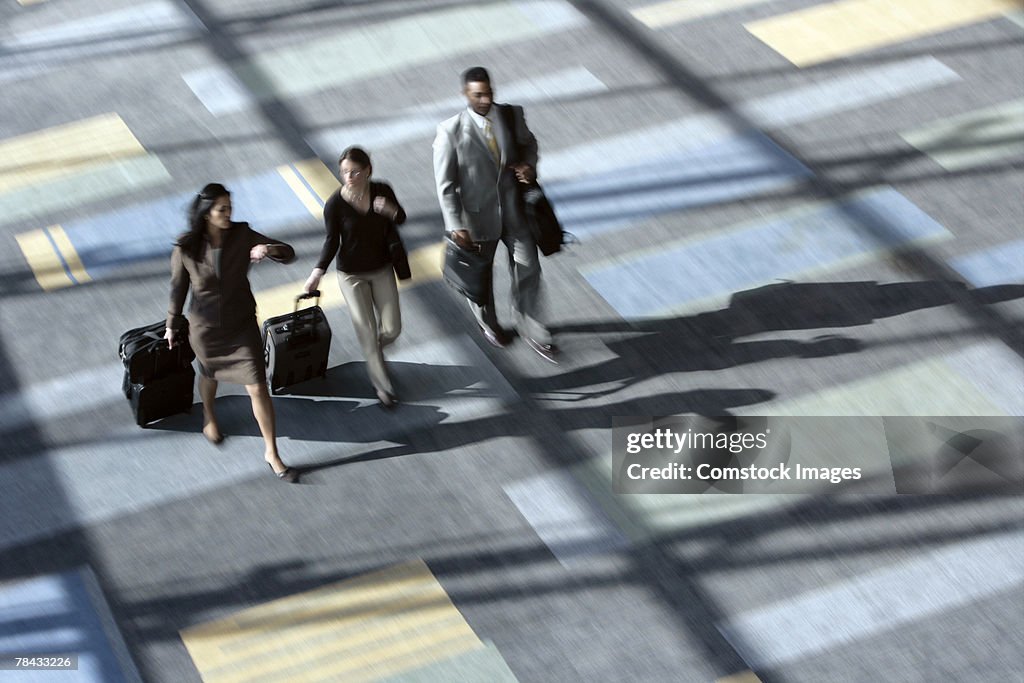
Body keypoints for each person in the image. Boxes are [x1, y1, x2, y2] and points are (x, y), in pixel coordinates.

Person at [165, 183, 299, 483]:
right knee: (209, 374)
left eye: (230, 207)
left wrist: (269, 249)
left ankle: (271, 452)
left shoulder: (243, 234)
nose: (229, 213)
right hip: (206, 328)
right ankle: (209, 416)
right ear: (206, 214)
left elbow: (289, 253)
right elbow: (178, 287)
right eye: (222, 209)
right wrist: (172, 324)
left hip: (241, 325)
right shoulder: (186, 247)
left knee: (257, 385)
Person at [432, 66, 557, 363]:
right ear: (465, 94)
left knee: (529, 269)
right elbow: (445, 185)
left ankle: (532, 327)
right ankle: (488, 324)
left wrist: (529, 165)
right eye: (478, 95)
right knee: (481, 278)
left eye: (489, 93)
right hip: (476, 222)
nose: (485, 99)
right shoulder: (450, 131)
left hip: (515, 213)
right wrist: (455, 225)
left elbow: (529, 145)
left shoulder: (511, 115)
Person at [303, 147, 409, 409]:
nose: (349, 177)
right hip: (351, 276)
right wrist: (317, 272)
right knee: (366, 330)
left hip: (381, 268)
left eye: (355, 172)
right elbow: (331, 242)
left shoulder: (382, 190)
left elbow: (401, 218)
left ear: (368, 171)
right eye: (344, 172)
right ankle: (383, 387)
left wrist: (391, 210)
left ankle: (374, 350)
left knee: (392, 328)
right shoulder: (335, 204)